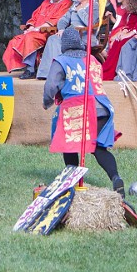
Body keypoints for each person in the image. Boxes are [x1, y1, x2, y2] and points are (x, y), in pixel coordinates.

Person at [42, 27, 124, 196]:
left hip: (78, 107)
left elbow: (51, 85)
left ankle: (70, 183)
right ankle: (115, 178)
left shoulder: (62, 60)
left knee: (70, 146)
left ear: (64, 44)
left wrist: (47, 102)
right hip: (102, 107)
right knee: (98, 149)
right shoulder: (93, 60)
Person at [2, 0, 72, 79]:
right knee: (15, 40)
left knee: (30, 38)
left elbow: (56, 20)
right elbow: (35, 16)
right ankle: (21, 66)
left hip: (49, 33)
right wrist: (30, 27)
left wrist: (34, 30)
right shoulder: (46, 1)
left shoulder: (66, 3)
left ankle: (30, 70)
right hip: (35, 31)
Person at [36, 0, 99, 79]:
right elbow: (63, 19)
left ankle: (61, 73)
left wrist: (80, 10)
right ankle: (46, 73)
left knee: (59, 41)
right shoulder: (75, 5)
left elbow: (90, 23)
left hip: (85, 36)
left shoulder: (94, 6)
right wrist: (61, 29)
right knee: (53, 39)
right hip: (71, 34)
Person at [101, 0, 137, 80]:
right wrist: (125, 31)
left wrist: (130, 32)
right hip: (129, 30)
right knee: (118, 41)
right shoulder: (134, 3)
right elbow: (131, 21)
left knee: (122, 43)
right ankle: (109, 70)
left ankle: (122, 72)